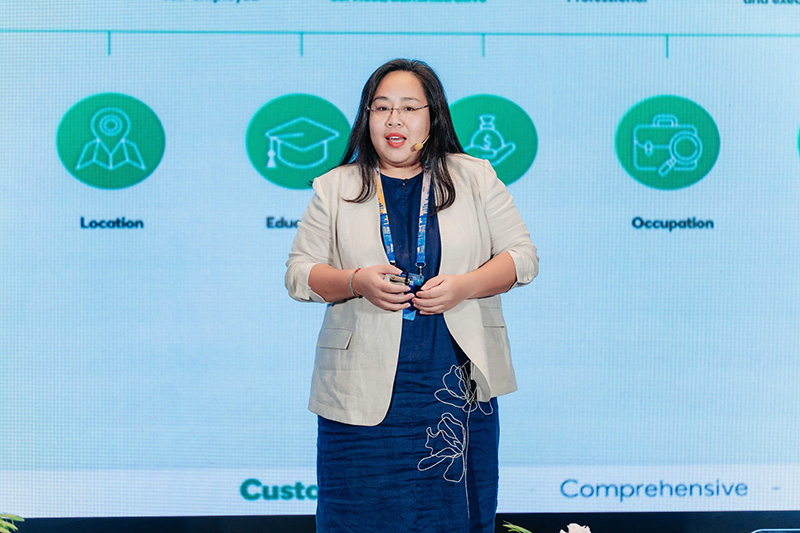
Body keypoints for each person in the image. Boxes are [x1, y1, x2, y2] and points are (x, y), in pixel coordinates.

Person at [285, 58, 538, 532]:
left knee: (453, 517)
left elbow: (523, 259)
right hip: (359, 391)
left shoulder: (475, 177)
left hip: (453, 383)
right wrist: (356, 282)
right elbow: (299, 275)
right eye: (381, 108)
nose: (394, 120)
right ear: (367, 118)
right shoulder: (336, 187)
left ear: (432, 117)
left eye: (408, 108)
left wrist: (464, 286)